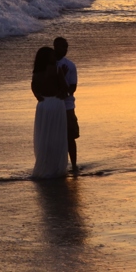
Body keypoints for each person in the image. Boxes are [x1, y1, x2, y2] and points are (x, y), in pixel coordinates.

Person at [31, 46, 69, 179]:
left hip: (42, 105)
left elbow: (33, 86)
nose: (55, 57)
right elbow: (65, 88)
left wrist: (38, 96)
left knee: (44, 136)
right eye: (53, 55)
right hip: (55, 104)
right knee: (57, 136)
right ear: (48, 58)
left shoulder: (36, 72)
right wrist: (62, 76)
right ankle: (56, 168)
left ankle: (45, 165)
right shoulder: (56, 69)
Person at [54, 36, 80, 171]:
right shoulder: (49, 65)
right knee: (55, 137)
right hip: (54, 105)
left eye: (66, 47)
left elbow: (73, 86)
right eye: (62, 47)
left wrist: (67, 95)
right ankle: (58, 165)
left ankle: (74, 164)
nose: (64, 50)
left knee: (70, 136)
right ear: (55, 47)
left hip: (68, 106)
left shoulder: (70, 65)